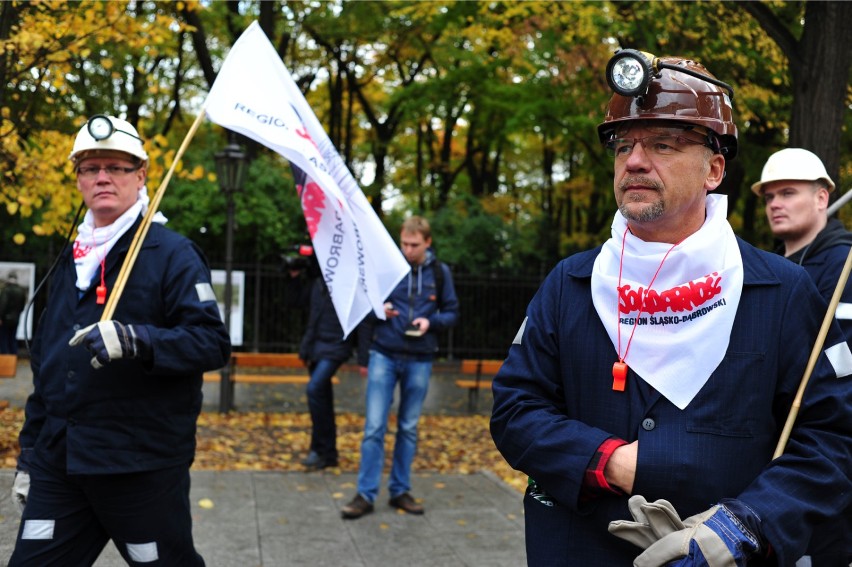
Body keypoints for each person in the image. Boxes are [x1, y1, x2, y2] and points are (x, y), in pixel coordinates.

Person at [490, 52, 852, 567]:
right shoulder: (570, 284)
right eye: (624, 146)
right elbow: (515, 410)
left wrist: (746, 528)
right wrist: (610, 463)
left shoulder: (784, 291)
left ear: (714, 169)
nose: (635, 161)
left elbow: (832, 440)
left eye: (662, 144)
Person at [9, 114, 231, 566]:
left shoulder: (172, 253)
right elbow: (48, 369)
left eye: (117, 167)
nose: (103, 177)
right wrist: (29, 456)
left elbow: (211, 343)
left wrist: (137, 340)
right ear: (79, 180)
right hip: (61, 463)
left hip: (139, 466)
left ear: (141, 175)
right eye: (91, 168)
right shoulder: (72, 259)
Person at [753, 147, 852, 567]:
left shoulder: (845, 264)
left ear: (822, 198)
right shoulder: (771, 269)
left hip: (823, 452)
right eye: (769, 196)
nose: (775, 204)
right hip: (773, 446)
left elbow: (843, 370)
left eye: (788, 192)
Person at [341, 215, 459, 519]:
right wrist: (378, 311)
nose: (408, 249)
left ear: (428, 243)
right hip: (384, 353)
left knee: (407, 428)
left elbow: (452, 313)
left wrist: (430, 322)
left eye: (414, 245)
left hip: (420, 357)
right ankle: (365, 495)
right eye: (404, 243)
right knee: (374, 428)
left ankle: (400, 491)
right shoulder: (388, 268)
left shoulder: (440, 272)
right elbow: (365, 308)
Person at [299, 275, 370, 471]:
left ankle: (321, 449)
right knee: (321, 397)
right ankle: (326, 452)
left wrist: (363, 358)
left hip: (337, 346)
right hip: (317, 346)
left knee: (314, 390)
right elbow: (308, 310)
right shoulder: (319, 280)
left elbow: (362, 319)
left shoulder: (350, 280)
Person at [0, 272, 27, 355]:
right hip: (16, 318)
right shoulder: (21, 291)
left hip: (5, 319)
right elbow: (22, 306)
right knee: (13, 339)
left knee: (4, 339)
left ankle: (5, 361)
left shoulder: (6, 290)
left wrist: (0, 317)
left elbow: (3, 305)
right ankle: (13, 359)